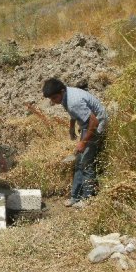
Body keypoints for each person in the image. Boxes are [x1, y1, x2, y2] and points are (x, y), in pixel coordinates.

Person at [42, 78, 108, 207]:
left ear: (62, 91)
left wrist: (83, 142)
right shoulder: (65, 95)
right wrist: (71, 127)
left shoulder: (73, 101)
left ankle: (88, 198)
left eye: (54, 98)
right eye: (51, 99)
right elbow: (73, 113)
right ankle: (75, 197)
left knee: (86, 162)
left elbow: (94, 122)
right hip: (86, 126)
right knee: (78, 162)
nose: (53, 101)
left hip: (97, 125)